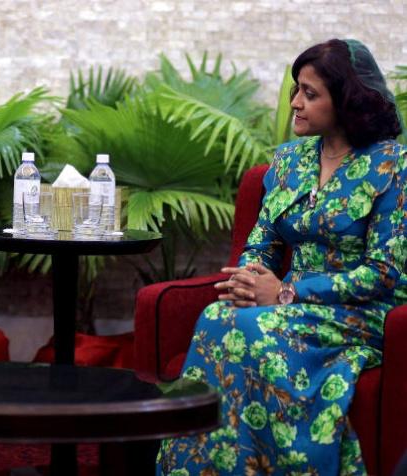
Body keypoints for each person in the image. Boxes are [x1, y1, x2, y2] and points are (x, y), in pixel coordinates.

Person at [157, 39, 406, 475]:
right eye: (296, 89)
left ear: (346, 101)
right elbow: (263, 238)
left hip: (358, 310)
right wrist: (250, 278)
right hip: (284, 303)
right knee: (217, 317)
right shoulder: (289, 162)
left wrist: (288, 293)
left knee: (249, 326)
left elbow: (384, 273)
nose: (295, 103)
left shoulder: (392, 166)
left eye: (311, 94)